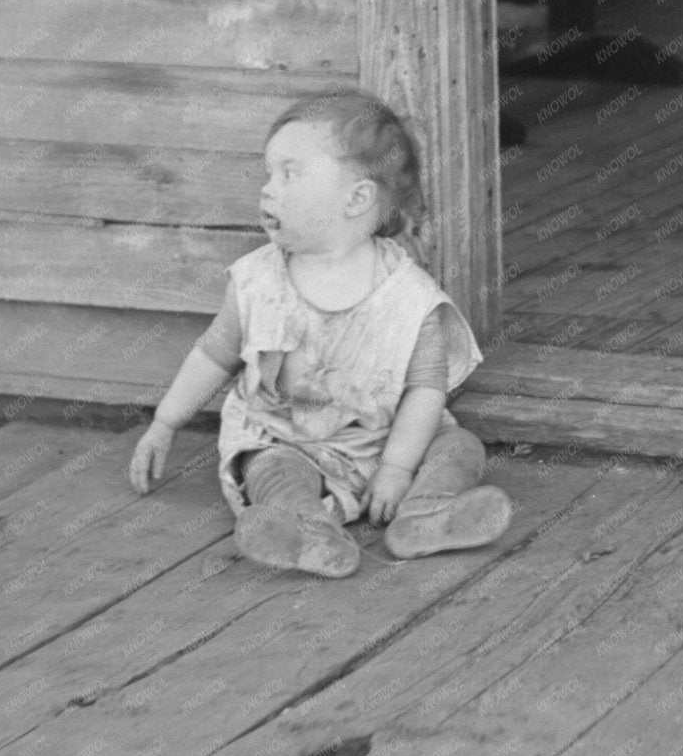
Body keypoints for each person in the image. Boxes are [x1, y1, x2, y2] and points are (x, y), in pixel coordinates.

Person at [129, 89, 511, 578]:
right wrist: (165, 421)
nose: (268, 189)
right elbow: (213, 355)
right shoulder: (257, 281)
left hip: (387, 439)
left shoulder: (409, 297)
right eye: (269, 173)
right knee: (270, 469)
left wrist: (396, 468)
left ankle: (424, 516)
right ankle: (306, 531)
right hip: (288, 439)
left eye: (290, 173)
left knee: (459, 447)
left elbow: (426, 389)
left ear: (356, 199)